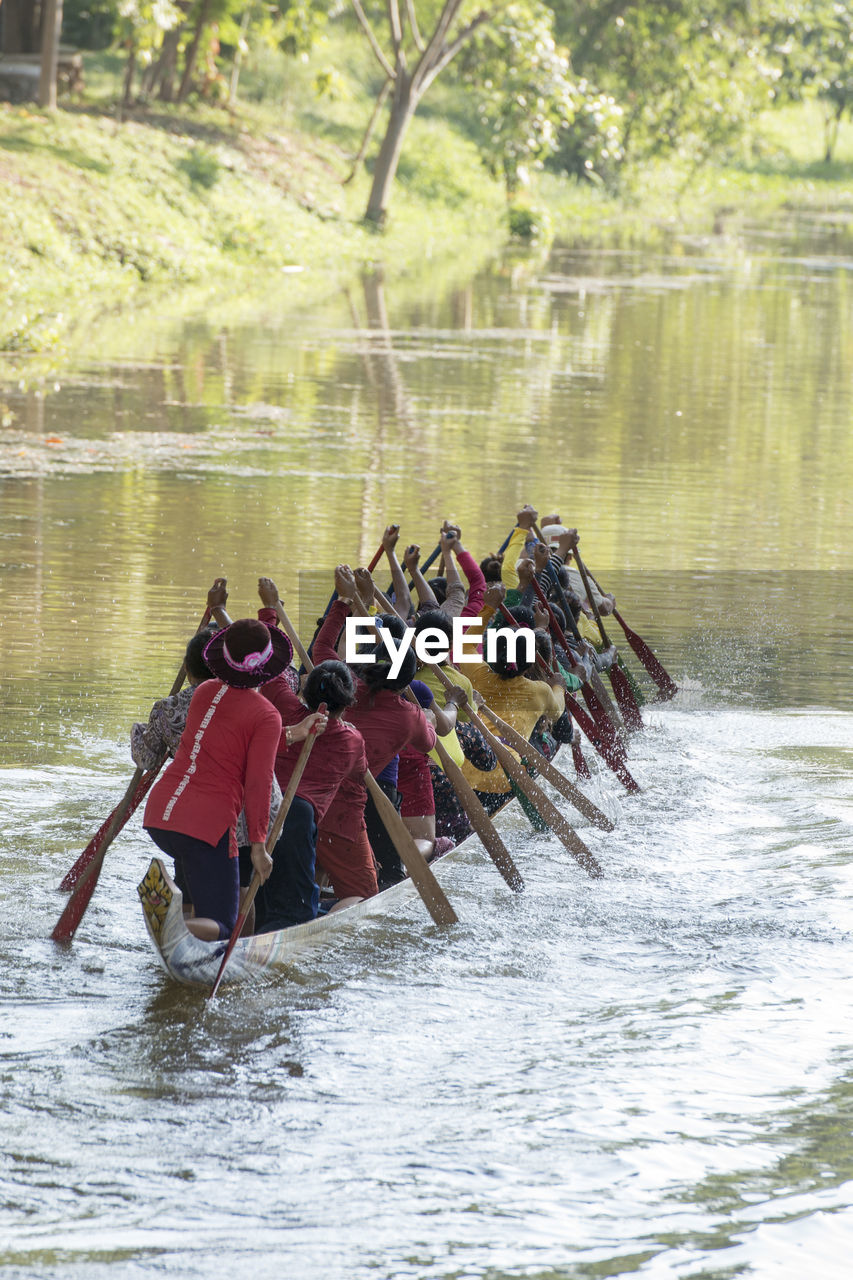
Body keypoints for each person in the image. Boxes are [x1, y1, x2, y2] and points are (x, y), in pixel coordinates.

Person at [143, 617, 293, 942]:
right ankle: (169, 927)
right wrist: (258, 847)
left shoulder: (205, 691)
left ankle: (173, 921)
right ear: (265, 667)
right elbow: (258, 783)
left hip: (162, 815)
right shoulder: (267, 715)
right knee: (223, 925)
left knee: (199, 899)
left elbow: (230, 740)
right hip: (207, 828)